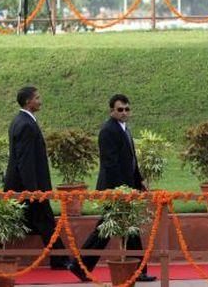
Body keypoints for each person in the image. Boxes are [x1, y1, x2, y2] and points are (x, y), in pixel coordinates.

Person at [67, 94, 157, 282]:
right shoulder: (108, 130)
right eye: (120, 109)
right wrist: (121, 191)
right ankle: (136, 270)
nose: (124, 112)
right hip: (116, 189)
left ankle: (81, 265)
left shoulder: (124, 129)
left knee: (117, 228)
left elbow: (131, 160)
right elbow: (111, 164)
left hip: (125, 188)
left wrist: (138, 181)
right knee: (110, 229)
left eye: (127, 109)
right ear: (112, 111)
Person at [2, 86, 69, 269]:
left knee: (34, 221)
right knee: (43, 220)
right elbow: (26, 160)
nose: (40, 101)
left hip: (24, 185)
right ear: (28, 102)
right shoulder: (25, 124)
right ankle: (60, 259)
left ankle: (60, 259)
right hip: (28, 186)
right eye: (37, 98)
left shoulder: (21, 121)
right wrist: (33, 190)